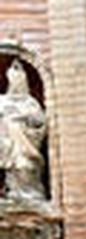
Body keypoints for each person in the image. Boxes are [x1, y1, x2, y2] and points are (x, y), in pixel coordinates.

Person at [0, 62, 47, 202]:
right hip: (8, 144)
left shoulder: (30, 102)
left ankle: (30, 193)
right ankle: (12, 191)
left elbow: (40, 122)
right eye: (13, 79)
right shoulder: (2, 101)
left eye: (19, 79)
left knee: (26, 166)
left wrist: (20, 118)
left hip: (27, 144)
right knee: (13, 169)